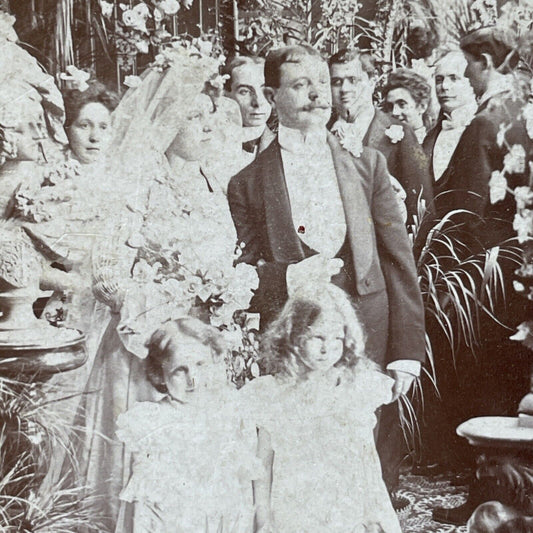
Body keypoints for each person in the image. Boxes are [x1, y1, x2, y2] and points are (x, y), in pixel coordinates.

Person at [68, 46, 254, 532]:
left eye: (210, 114)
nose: (207, 126)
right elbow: (106, 270)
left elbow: (230, 259)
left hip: (206, 347)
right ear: (167, 119)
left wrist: (225, 294)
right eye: (194, 115)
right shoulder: (136, 184)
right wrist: (160, 316)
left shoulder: (216, 182)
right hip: (145, 350)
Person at [228, 44, 426, 493]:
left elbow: (399, 261)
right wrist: (285, 278)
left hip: (369, 334)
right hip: (296, 345)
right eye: (300, 85)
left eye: (322, 82)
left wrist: (407, 350)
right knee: (304, 470)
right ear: (272, 94)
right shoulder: (247, 183)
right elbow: (240, 273)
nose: (318, 95)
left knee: (371, 468)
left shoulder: (367, 164)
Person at [429, 27, 533, 526]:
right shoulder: (525, 111)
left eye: (468, 67)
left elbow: (464, 211)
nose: (465, 77)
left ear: (486, 61)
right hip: (523, 271)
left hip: (487, 279)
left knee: (485, 384)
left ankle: (486, 497)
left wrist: (452, 279)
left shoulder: (487, 121)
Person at [246, 284, 402, 532]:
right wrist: (262, 518)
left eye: (336, 339)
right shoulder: (273, 394)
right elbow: (262, 465)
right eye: (316, 337)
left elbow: (366, 460)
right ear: (293, 336)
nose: (326, 348)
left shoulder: (353, 390)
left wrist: (374, 512)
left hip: (343, 508)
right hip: (293, 509)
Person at [115, 317, 259, 532]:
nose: (194, 380)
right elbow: (144, 510)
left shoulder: (230, 412)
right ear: (160, 374)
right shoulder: (151, 421)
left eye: (200, 365)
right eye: (180, 370)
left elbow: (243, 491)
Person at [328, 48, 433, 224]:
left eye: (353, 80)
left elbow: (422, 209)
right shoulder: (320, 133)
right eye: (336, 82)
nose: (344, 89)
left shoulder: (401, 132)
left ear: (372, 81)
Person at [423, 50, 477, 188]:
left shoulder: (482, 128)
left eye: (454, 78)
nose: (444, 87)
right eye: (439, 80)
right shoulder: (430, 137)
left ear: (471, 82)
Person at [223, 56, 275, 167]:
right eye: (245, 92)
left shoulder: (286, 149)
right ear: (226, 95)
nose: (258, 102)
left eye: (264, 90)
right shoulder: (208, 145)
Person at [383, 67, 432, 144]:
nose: (394, 112)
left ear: (422, 107)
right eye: (390, 106)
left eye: (402, 104)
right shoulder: (384, 144)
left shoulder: (432, 143)